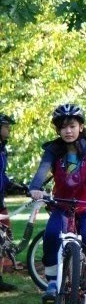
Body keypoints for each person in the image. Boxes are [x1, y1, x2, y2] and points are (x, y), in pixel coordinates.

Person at [28, 104, 86, 304]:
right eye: (63, 127)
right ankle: (51, 281)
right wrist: (35, 187)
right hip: (62, 204)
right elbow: (42, 172)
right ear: (58, 130)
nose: (68, 131)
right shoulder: (53, 151)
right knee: (50, 235)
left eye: (72, 126)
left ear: (81, 127)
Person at [0, 113, 25, 292]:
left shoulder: (2, 149)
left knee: (4, 239)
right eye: (6, 126)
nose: (9, 129)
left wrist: (12, 185)